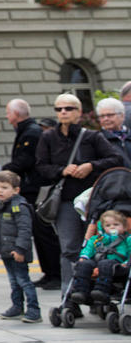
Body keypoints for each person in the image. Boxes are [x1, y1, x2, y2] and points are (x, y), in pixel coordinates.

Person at [35, 93, 122, 292]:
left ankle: (95, 290)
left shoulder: (92, 136)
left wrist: (91, 165)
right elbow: (40, 167)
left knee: (96, 246)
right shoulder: (48, 137)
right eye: (59, 109)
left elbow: (115, 159)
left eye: (68, 108)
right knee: (69, 248)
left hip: (92, 201)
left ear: (79, 112)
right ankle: (69, 293)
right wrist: (61, 170)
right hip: (65, 201)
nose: (63, 112)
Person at [0, 98, 61, 290]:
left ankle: (55, 274)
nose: (7, 117)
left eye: (8, 113)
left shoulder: (32, 133)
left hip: (36, 190)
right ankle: (48, 272)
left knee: (43, 232)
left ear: (16, 114)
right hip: (30, 189)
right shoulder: (27, 131)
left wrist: (6, 170)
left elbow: (26, 161)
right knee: (37, 232)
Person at [0, 171, 40, 323]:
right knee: (13, 281)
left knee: (23, 281)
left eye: (4, 187)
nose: (0, 191)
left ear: (16, 190)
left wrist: (20, 249)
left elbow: (25, 230)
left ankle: (34, 310)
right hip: (5, 251)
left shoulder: (20, 206)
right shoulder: (0, 205)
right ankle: (17, 307)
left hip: (17, 251)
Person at [71, 210, 131, 305]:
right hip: (98, 261)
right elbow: (89, 248)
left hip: (118, 264)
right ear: (103, 227)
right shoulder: (97, 239)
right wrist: (84, 256)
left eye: (116, 224)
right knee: (84, 264)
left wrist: (127, 262)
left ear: (124, 227)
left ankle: (101, 290)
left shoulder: (127, 239)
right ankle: (80, 291)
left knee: (105, 263)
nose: (112, 227)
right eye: (108, 225)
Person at [98, 97, 131, 166]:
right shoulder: (98, 140)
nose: (105, 119)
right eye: (102, 116)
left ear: (122, 116)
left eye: (110, 115)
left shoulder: (128, 135)